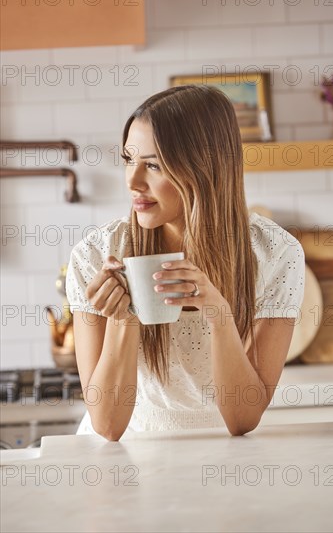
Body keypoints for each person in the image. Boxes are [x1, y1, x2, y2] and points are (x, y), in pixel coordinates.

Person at [66, 85, 305, 440]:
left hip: (225, 455)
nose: (132, 181)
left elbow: (243, 419)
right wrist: (125, 316)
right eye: (129, 160)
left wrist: (219, 314)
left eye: (153, 165)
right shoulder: (96, 254)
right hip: (125, 455)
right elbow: (108, 426)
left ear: (204, 167)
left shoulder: (276, 254)